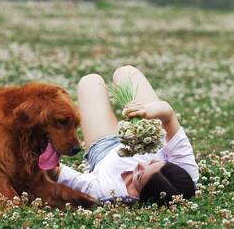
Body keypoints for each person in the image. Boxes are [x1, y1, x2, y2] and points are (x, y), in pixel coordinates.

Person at [49, 65, 199, 205]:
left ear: (139, 196)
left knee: (90, 82)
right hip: (148, 131)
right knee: (125, 72)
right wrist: (147, 112)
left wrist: (46, 156)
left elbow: (58, 173)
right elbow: (168, 115)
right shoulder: (185, 174)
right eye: (153, 163)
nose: (140, 165)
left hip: (103, 148)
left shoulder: (109, 193)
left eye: (139, 176)